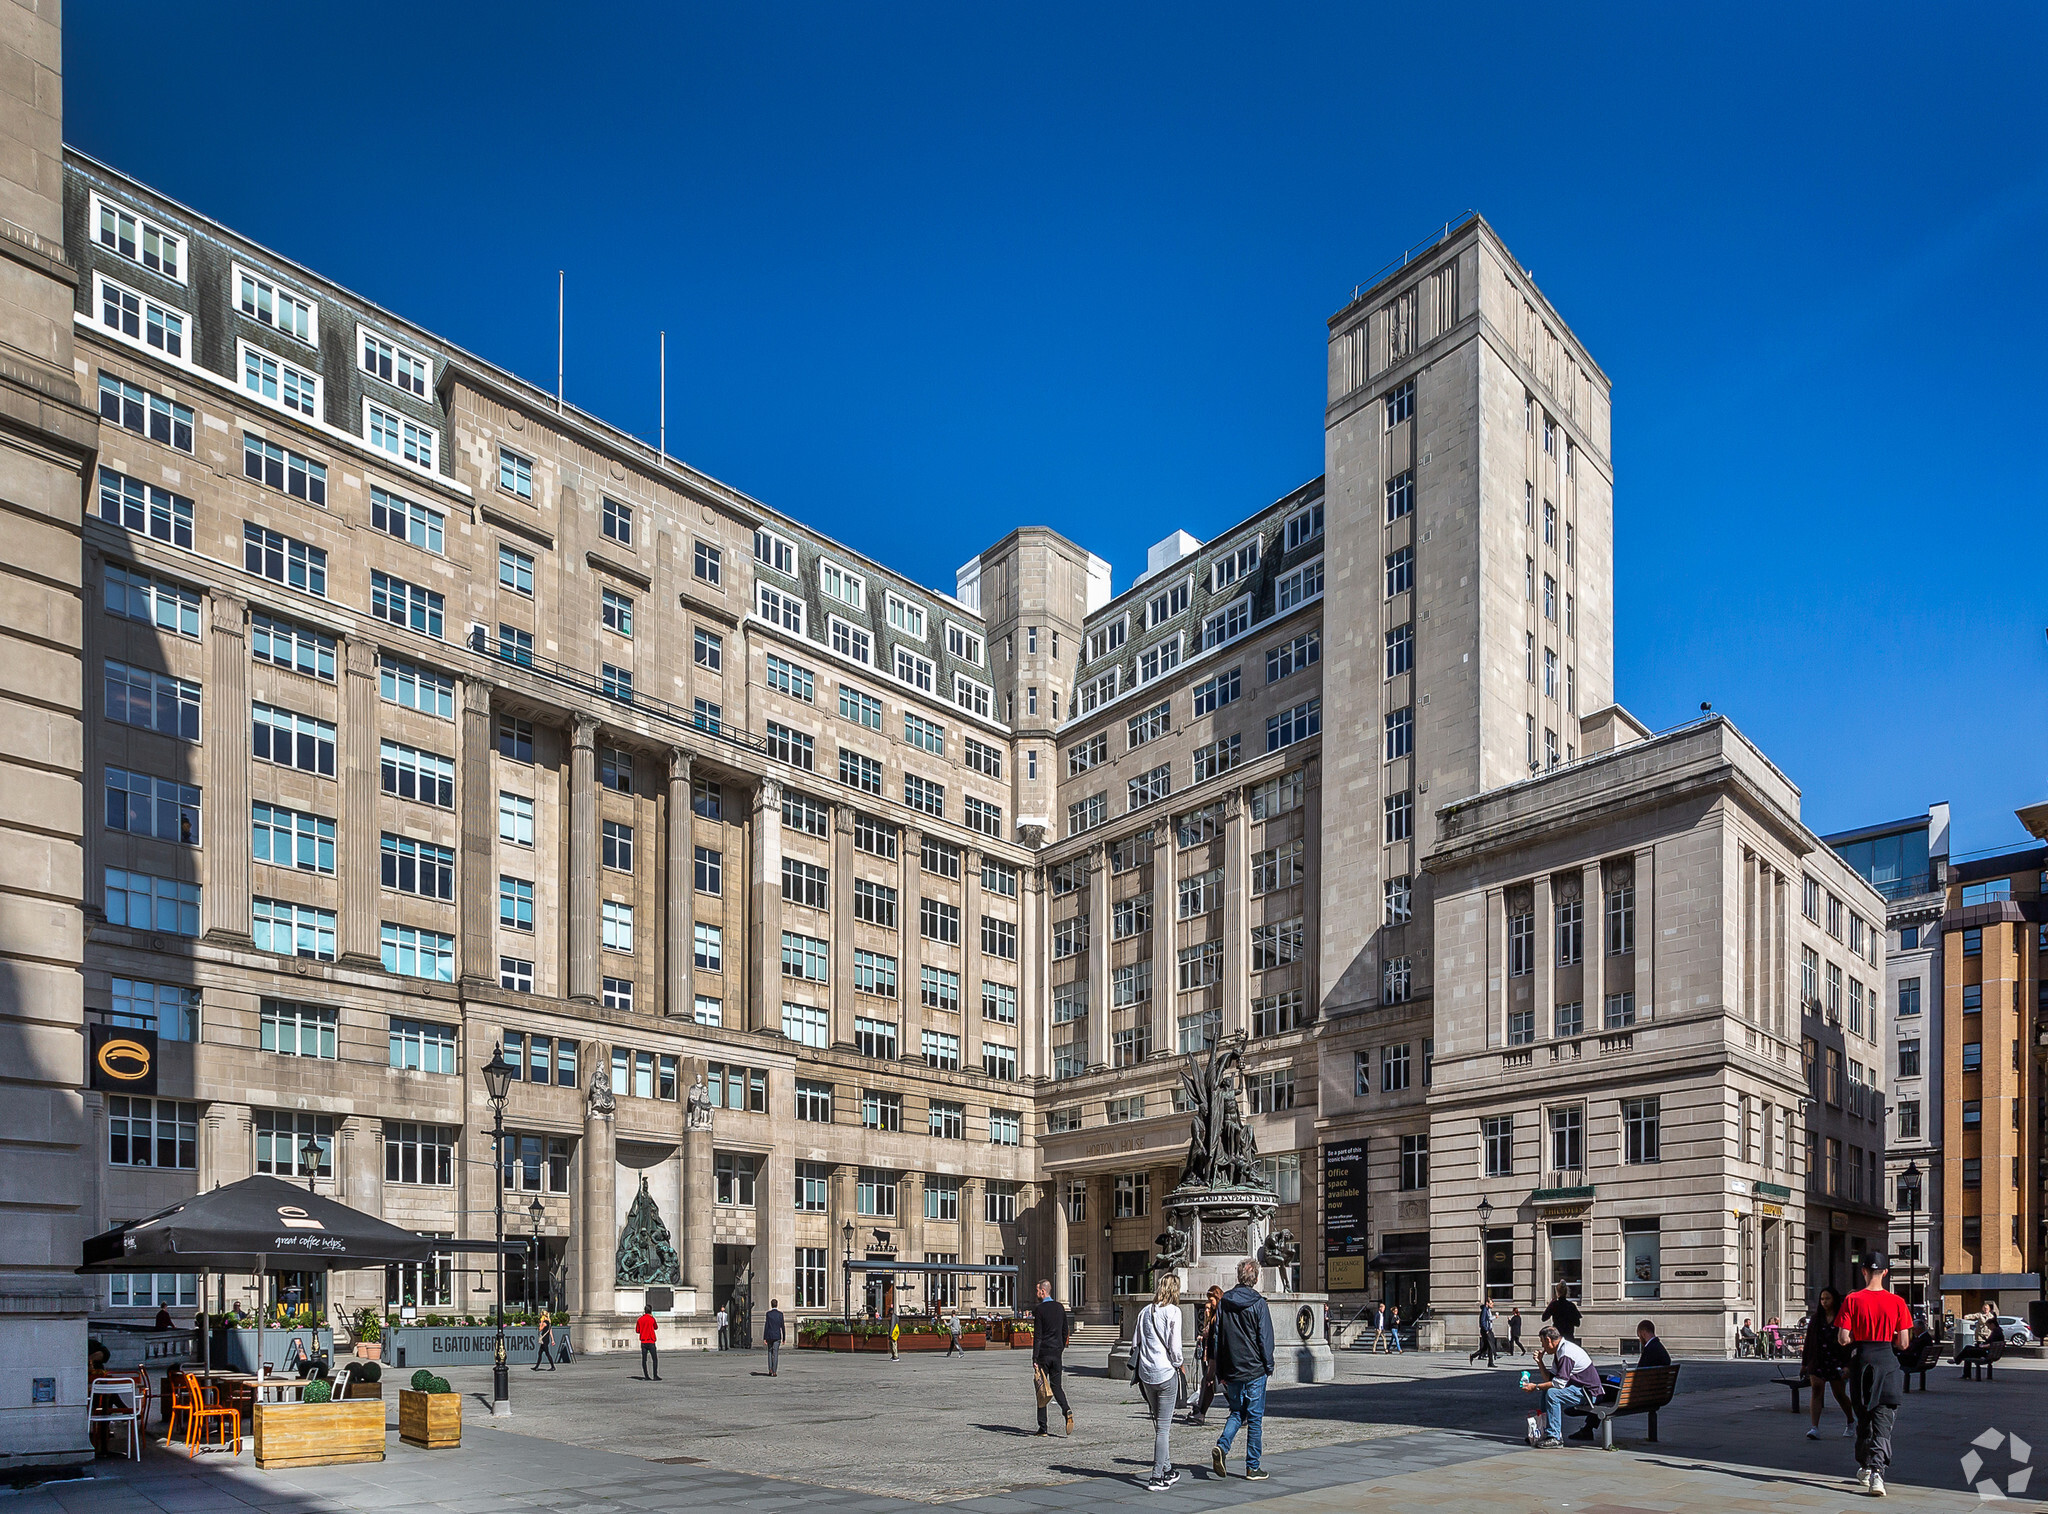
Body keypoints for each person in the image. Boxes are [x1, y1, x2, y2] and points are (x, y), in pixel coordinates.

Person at [1836, 1252, 1912, 1498]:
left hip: (1862, 1361)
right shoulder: (1898, 1302)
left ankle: (1866, 1466)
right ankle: (1878, 1472)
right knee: (1883, 1419)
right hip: (1887, 1362)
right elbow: (1903, 1343)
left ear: (1864, 1271)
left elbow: (1843, 1338)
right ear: (1886, 1273)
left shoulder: (1852, 1300)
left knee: (1864, 1418)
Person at [1211, 1259, 1274, 1481]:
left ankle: (1222, 1446)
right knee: (1255, 1419)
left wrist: (1220, 1370)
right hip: (1254, 1369)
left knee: (1237, 1412)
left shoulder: (1224, 1302)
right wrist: (1269, 1365)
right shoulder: (1258, 1303)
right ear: (1255, 1278)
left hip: (1233, 1369)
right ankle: (1252, 1467)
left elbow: (1217, 1337)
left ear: (1239, 1277)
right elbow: (1265, 1338)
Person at [1132, 1273, 1185, 1491]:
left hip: (1146, 1374)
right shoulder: (1174, 1311)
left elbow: (1136, 1342)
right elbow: (1175, 1347)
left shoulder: (1144, 1311)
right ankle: (1156, 1476)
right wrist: (1178, 1363)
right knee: (1163, 1429)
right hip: (1165, 1374)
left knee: (1159, 1425)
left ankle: (1168, 1469)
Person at [1521, 1325, 1603, 1448]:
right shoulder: (1560, 1351)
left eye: (1542, 1342)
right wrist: (1540, 1362)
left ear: (1548, 1340)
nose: (1542, 1347)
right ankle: (1544, 1430)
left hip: (1590, 1394)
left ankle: (1554, 1437)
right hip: (1581, 1390)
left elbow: (1559, 1383)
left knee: (1552, 1394)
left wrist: (1535, 1387)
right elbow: (1550, 1379)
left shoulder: (1566, 1353)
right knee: (1547, 1390)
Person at [1801, 1288, 1855, 1441]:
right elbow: (1808, 1342)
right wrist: (1805, 1363)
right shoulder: (1816, 1319)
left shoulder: (1842, 1318)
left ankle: (1851, 1421)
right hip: (1817, 1359)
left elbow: (1848, 1344)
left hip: (1835, 1360)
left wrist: (1847, 1365)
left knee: (1839, 1393)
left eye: (1827, 1298)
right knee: (1816, 1390)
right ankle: (1814, 1427)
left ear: (1834, 1300)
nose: (1824, 1302)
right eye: (1822, 1299)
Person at [1031, 1279, 1073, 1436]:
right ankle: (1066, 1409)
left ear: (1043, 1291)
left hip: (1043, 1353)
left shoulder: (1040, 1310)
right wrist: (1060, 1348)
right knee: (1056, 1386)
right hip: (1056, 1353)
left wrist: (1035, 1358)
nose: (1036, 1294)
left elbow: (1038, 1336)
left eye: (1037, 1291)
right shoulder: (1060, 1307)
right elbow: (1065, 1331)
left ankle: (1043, 1428)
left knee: (1042, 1389)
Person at [1188, 1285, 1222, 1424]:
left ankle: (1201, 1413)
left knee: (1209, 1382)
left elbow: (1217, 1335)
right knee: (1216, 1383)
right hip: (1214, 1354)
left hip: (1216, 1355)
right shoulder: (1215, 1315)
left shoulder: (1220, 1314)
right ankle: (1201, 1412)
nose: (1210, 1302)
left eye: (1212, 1299)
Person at [1470, 1299, 1499, 1367]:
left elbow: (1488, 1318)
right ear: (1487, 1303)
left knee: (1486, 1347)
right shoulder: (1484, 1310)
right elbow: (1482, 1321)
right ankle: (1493, 1359)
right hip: (1486, 1330)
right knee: (1491, 1345)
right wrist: (1486, 1330)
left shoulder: (1488, 1310)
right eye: (1491, 1303)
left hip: (1489, 1329)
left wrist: (1494, 1317)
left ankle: (1473, 1356)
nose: (1492, 1305)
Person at [636, 1305, 660, 1380]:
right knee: (654, 1359)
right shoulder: (651, 1319)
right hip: (651, 1340)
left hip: (643, 1341)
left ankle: (646, 1376)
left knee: (644, 1359)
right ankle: (655, 1375)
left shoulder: (640, 1319)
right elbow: (656, 1327)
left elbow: (637, 1330)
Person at [763, 1298, 785, 1377]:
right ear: (777, 1304)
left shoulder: (768, 1314)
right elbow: (782, 1326)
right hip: (777, 1336)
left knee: (769, 1352)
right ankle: (775, 1371)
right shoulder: (780, 1314)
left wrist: (764, 1337)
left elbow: (767, 1326)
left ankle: (770, 1369)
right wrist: (784, 1337)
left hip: (769, 1335)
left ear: (771, 1305)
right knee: (775, 1354)